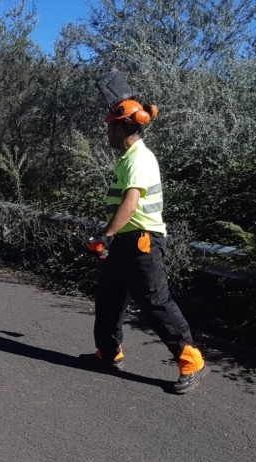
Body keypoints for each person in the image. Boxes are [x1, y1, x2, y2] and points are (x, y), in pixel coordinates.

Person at [84, 98, 207, 394]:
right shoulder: (128, 158)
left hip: (143, 240)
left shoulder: (140, 158)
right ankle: (109, 354)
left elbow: (131, 201)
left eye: (109, 127)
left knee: (156, 302)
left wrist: (105, 235)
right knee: (109, 299)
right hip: (127, 240)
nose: (107, 133)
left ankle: (191, 361)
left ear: (120, 127)